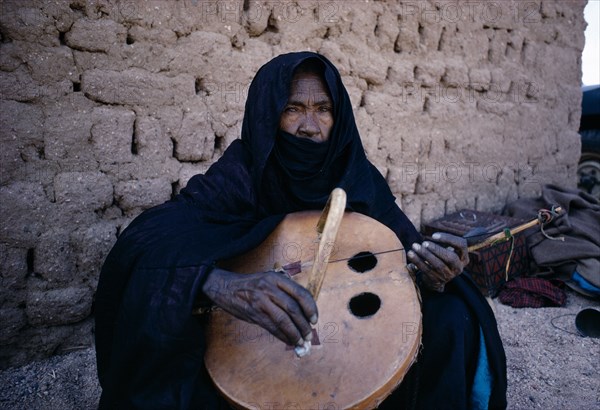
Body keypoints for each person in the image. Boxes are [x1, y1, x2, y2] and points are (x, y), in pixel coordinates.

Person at [95, 52, 507, 409]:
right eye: (293, 108)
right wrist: (219, 284)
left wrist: (438, 271)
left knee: (453, 313)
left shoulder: (358, 177)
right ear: (268, 114)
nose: (309, 125)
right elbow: (146, 242)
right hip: (262, 340)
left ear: (338, 116)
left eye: (323, 109)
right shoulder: (243, 174)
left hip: (352, 340)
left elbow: (402, 257)